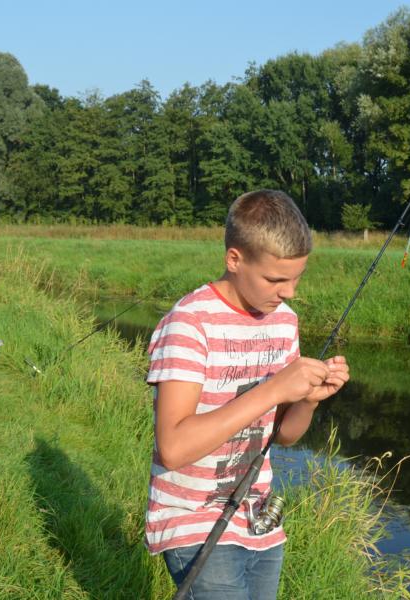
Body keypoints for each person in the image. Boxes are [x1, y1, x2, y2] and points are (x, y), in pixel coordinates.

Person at [145, 189, 350, 599]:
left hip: (258, 518)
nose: (289, 292)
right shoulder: (189, 324)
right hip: (193, 516)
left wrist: (308, 399)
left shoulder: (284, 322)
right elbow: (173, 447)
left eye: (296, 278)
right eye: (275, 280)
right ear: (234, 259)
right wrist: (274, 389)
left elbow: (284, 435)